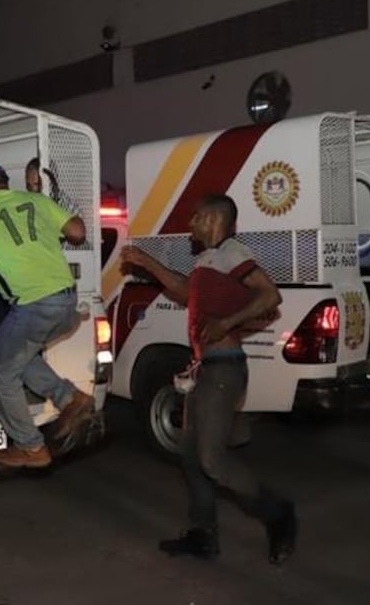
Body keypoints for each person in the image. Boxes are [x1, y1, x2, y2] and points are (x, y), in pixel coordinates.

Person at [120, 194, 298, 565]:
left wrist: (227, 322)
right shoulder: (208, 260)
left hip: (224, 369)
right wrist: (148, 263)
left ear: (215, 218)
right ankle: (203, 535)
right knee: (190, 456)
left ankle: (278, 512)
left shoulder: (233, 252)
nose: (191, 225)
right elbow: (187, 292)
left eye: (197, 217)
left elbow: (270, 295)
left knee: (212, 461)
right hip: (204, 369)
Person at [0, 162, 94, 468]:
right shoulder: (36, 200)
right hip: (66, 302)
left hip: (35, 304)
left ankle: (31, 447)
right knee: (20, 356)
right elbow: (77, 232)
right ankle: (70, 398)